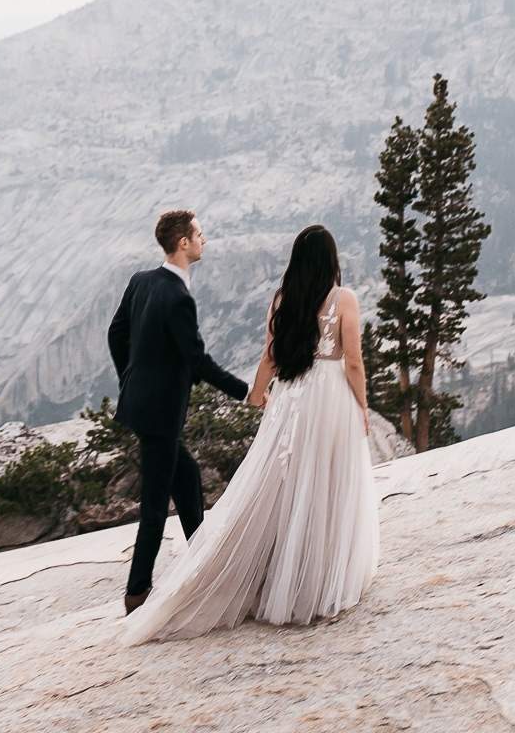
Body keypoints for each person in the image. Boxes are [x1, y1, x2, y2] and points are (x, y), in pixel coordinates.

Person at [123, 223, 379, 643]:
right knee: (329, 483)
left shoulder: (282, 298)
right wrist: (362, 406)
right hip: (332, 399)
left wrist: (258, 394)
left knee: (284, 485)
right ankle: (322, 577)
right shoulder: (344, 298)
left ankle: (275, 574)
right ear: (331, 260)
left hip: (292, 397)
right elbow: (353, 361)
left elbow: (270, 356)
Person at [108, 209, 253, 614]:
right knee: (155, 508)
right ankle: (137, 594)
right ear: (183, 243)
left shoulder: (141, 280)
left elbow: (116, 333)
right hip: (159, 414)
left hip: (144, 407)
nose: (205, 240)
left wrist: (130, 379)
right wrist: (248, 393)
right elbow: (198, 362)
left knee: (187, 478)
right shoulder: (178, 297)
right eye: (200, 234)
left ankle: (204, 565)